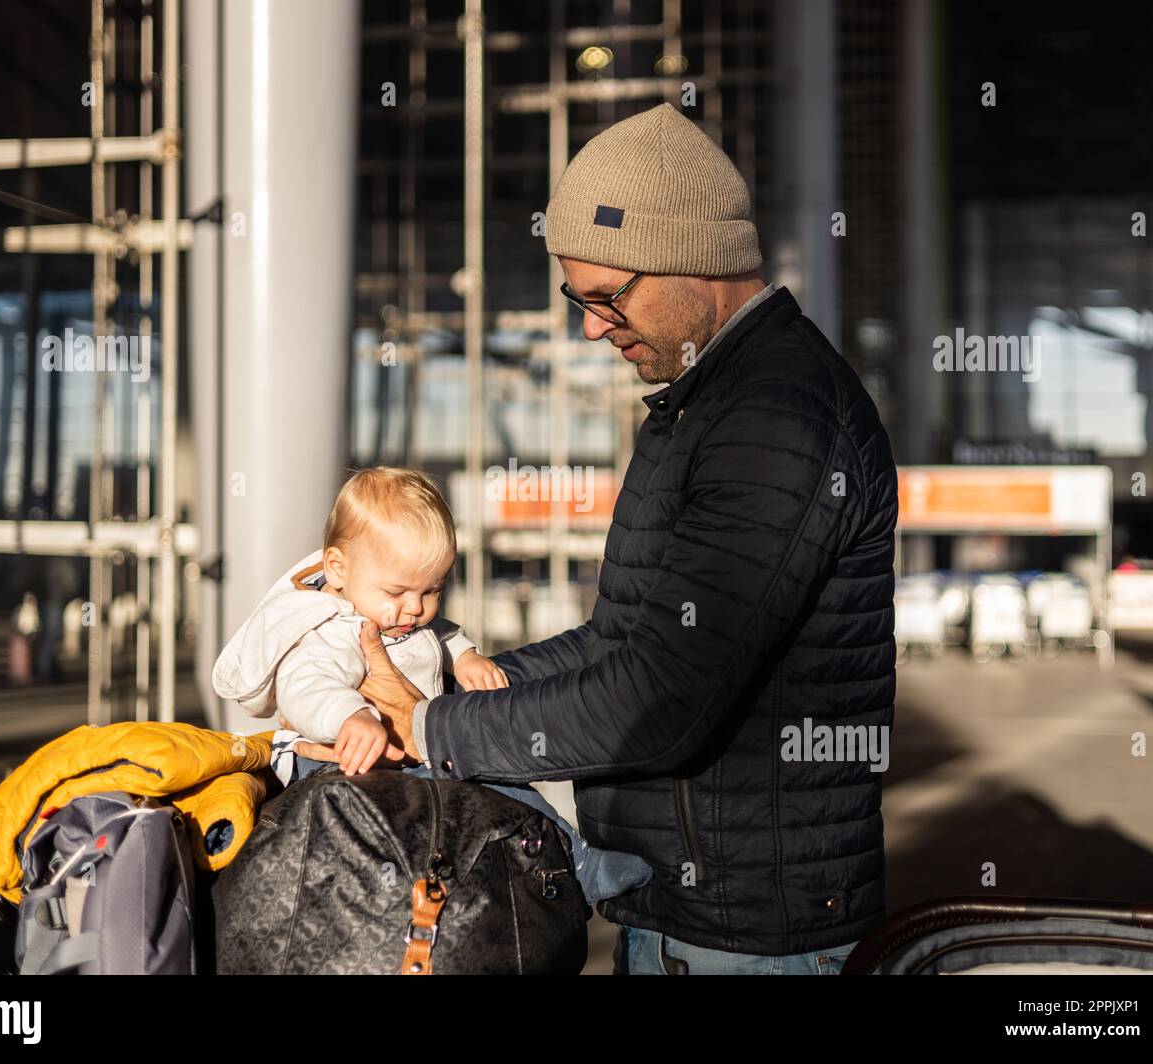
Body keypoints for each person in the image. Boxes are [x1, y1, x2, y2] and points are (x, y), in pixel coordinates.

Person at [347, 103, 899, 975]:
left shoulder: (777, 420)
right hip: (682, 914)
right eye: (578, 298)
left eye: (607, 296)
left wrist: (438, 728)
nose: (591, 327)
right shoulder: (699, 408)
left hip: (752, 944)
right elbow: (624, 641)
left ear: (696, 261)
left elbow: (662, 698)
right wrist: (451, 672)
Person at [211, 466, 652, 904]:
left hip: (414, 755)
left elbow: (437, 633)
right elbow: (307, 686)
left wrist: (465, 657)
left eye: (432, 591)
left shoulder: (397, 613)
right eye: (399, 592)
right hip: (340, 763)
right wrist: (352, 716)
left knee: (509, 791)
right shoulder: (328, 627)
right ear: (338, 568)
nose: (414, 609)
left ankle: (577, 863)